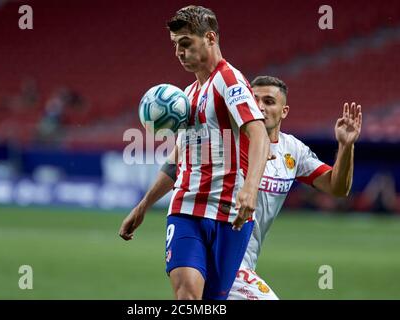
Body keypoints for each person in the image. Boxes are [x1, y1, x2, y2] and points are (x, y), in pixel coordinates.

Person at [120, 75, 362, 300]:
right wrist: (142, 207)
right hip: (218, 255)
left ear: (284, 111)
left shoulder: (293, 151)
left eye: (269, 101)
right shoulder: (223, 137)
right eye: (254, 100)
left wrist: (346, 146)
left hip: (241, 261)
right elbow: (175, 166)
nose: (260, 107)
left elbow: (336, 187)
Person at [119, 5, 270, 300]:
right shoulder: (186, 96)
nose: (179, 52)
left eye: (186, 43)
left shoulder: (230, 82)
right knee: (187, 295)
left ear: (210, 38)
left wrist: (250, 190)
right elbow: (177, 161)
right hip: (185, 210)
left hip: (228, 214)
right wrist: (143, 206)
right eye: (175, 45)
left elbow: (259, 135)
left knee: (214, 300)